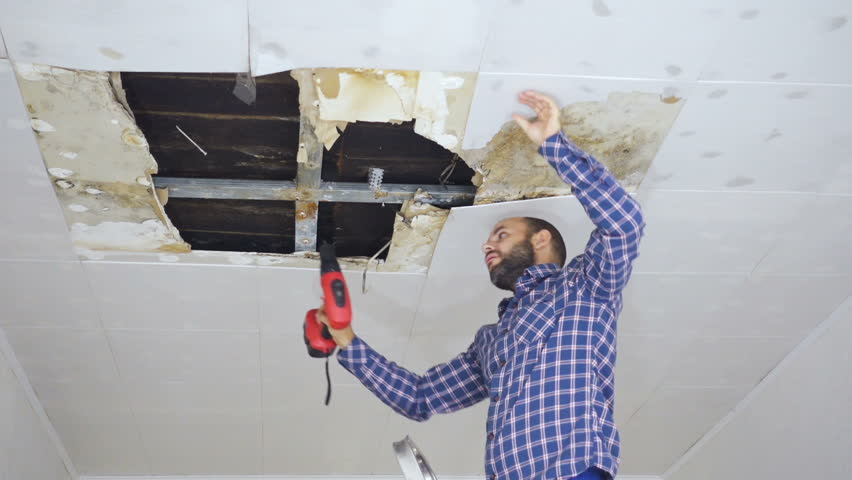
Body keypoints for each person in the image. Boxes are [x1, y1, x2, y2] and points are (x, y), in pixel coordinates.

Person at [317, 90, 645, 480]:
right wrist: (347, 340)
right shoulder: (491, 342)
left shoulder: (585, 290)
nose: (487, 245)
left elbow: (624, 224)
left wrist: (555, 146)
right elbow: (420, 397)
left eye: (502, 235)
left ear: (541, 240)